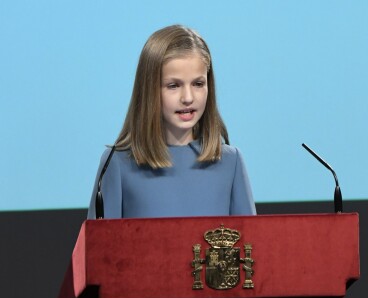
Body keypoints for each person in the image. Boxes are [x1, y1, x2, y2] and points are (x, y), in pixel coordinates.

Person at [87, 25, 256, 219]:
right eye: (173, 85)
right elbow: (99, 248)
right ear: (149, 89)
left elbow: (251, 246)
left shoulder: (230, 162)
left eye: (198, 84)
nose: (188, 97)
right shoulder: (116, 163)